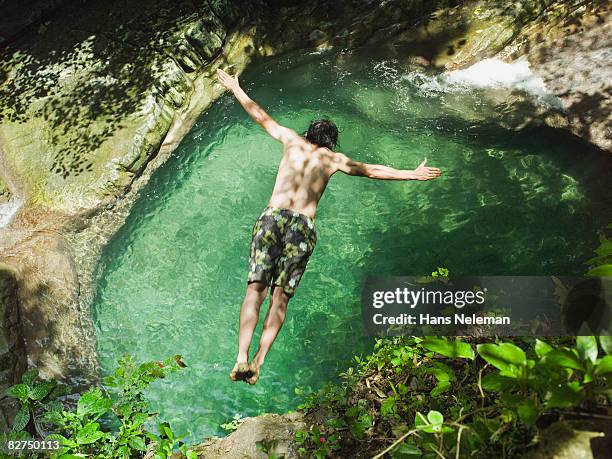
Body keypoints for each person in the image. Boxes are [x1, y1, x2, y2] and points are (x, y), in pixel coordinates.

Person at [217, 68, 442, 385]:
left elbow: (260, 116)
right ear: (331, 144)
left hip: (272, 218)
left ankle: (241, 355)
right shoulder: (334, 161)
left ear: (308, 134)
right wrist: (412, 174)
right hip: (303, 228)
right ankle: (258, 361)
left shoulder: (291, 141)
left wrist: (235, 88)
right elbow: (371, 170)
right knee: (280, 298)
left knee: (255, 289)